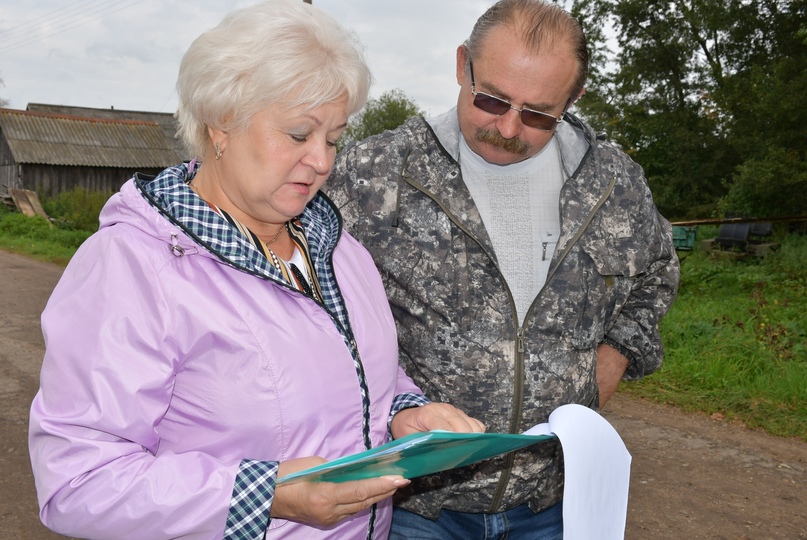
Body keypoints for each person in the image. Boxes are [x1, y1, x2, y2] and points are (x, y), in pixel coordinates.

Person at [27, 2, 483, 539]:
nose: (323, 161)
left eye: (334, 138)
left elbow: (355, 374)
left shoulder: (340, 250)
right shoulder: (131, 267)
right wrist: (266, 497)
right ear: (222, 123)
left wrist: (404, 413)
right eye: (299, 134)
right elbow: (79, 482)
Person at [326, 0, 680, 537]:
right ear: (462, 65)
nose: (509, 127)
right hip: (416, 504)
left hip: (552, 501)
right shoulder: (373, 174)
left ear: (574, 98)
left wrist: (611, 361)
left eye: (538, 114)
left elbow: (657, 272)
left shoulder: (613, 183)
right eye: (492, 99)